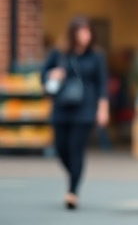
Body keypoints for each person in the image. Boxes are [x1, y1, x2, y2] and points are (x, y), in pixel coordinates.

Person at [41, 16, 109, 210]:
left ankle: (72, 191)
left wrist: (102, 109)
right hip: (62, 108)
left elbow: (101, 83)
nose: (85, 36)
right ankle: (74, 175)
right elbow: (43, 76)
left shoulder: (96, 55)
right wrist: (51, 76)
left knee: (76, 149)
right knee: (61, 149)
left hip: (85, 109)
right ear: (73, 33)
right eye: (82, 32)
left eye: (88, 32)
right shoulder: (59, 53)